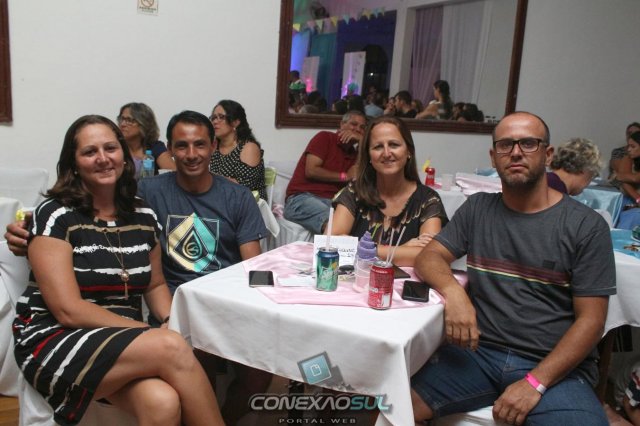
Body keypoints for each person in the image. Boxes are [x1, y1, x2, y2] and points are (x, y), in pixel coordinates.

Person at [7, 110, 271, 425]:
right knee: (172, 345)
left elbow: (156, 285)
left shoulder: (142, 213)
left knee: (163, 403)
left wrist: (171, 320)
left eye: (110, 148)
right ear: (73, 162)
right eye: (90, 152)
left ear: (124, 154)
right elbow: (68, 311)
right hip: (58, 339)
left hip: (120, 342)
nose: (103, 158)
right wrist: (151, 331)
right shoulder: (55, 214)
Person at [410, 111, 616, 425]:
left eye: (528, 143)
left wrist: (535, 382)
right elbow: (428, 257)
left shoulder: (585, 226)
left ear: (548, 154)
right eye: (505, 145)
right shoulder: (478, 209)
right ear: (493, 158)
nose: (516, 152)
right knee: (390, 406)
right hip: (477, 353)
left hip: (553, 366)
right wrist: (455, 293)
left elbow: (592, 321)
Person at [331, 116, 448, 266]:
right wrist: (401, 250)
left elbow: (431, 255)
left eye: (394, 145)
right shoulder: (355, 192)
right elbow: (331, 242)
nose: (386, 153)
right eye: (378, 147)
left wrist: (365, 249)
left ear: (409, 151)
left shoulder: (428, 199)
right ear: (369, 156)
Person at [284, 110, 366, 234]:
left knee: (358, 221)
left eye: (362, 127)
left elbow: (356, 177)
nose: (358, 130)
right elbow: (311, 170)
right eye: (353, 124)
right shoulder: (325, 137)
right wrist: (344, 176)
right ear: (342, 124)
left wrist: (362, 145)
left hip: (333, 202)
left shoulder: (355, 154)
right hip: (302, 198)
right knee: (335, 222)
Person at [208, 99, 267, 200]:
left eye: (221, 117)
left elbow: (243, 187)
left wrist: (208, 177)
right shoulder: (214, 146)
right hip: (219, 198)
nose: (215, 122)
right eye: (213, 118)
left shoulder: (248, 148)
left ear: (235, 122)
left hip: (246, 202)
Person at [117, 102, 175, 178]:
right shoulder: (116, 147)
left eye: (129, 120)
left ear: (144, 124)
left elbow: (173, 175)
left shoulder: (156, 147)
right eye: (122, 119)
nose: (122, 124)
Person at [611, 131, 640, 229]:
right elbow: (624, 182)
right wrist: (638, 199)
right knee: (631, 214)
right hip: (631, 198)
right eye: (628, 146)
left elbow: (635, 178)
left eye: (633, 146)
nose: (629, 149)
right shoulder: (628, 158)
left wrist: (619, 175)